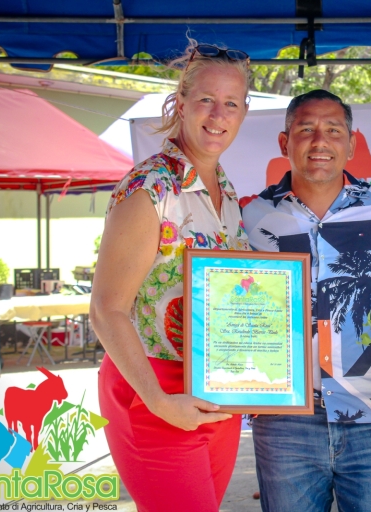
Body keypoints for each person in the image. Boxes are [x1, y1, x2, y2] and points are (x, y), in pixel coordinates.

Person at [242, 89, 371, 512]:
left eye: (332, 130)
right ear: (284, 142)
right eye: (305, 129)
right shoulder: (249, 218)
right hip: (283, 420)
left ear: (352, 143)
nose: (319, 141)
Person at [90, 43, 252, 512]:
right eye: (206, 99)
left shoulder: (225, 189)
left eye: (232, 104)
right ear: (180, 102)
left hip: (215, 393)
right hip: (154, 393)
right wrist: (160, 401)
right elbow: (106, 310)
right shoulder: (149, 189)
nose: (218, 114)